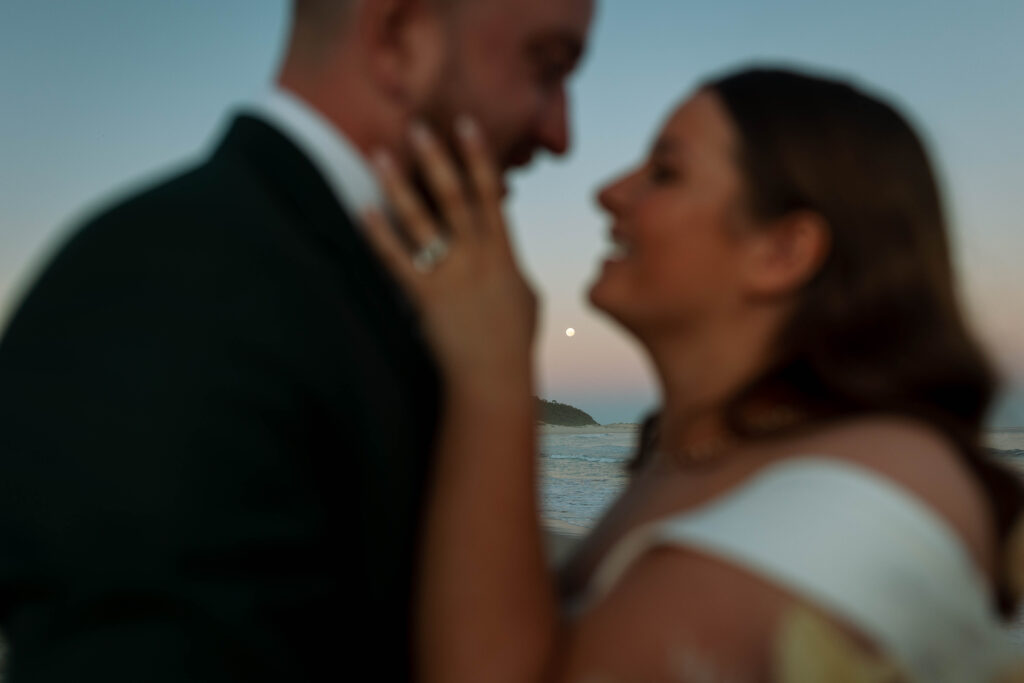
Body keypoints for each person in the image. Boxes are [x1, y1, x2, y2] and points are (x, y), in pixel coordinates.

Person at [363, 67, 1024, 682]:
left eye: (665, 172)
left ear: (782, 251)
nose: (610, 191)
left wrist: (493, 372)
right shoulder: (682, 460)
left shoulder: (878, 485)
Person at [0, 1, 593, 681]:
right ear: (400, 40)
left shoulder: (364, 288)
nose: (560, 134)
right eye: (545, 67)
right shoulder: (165, 282)